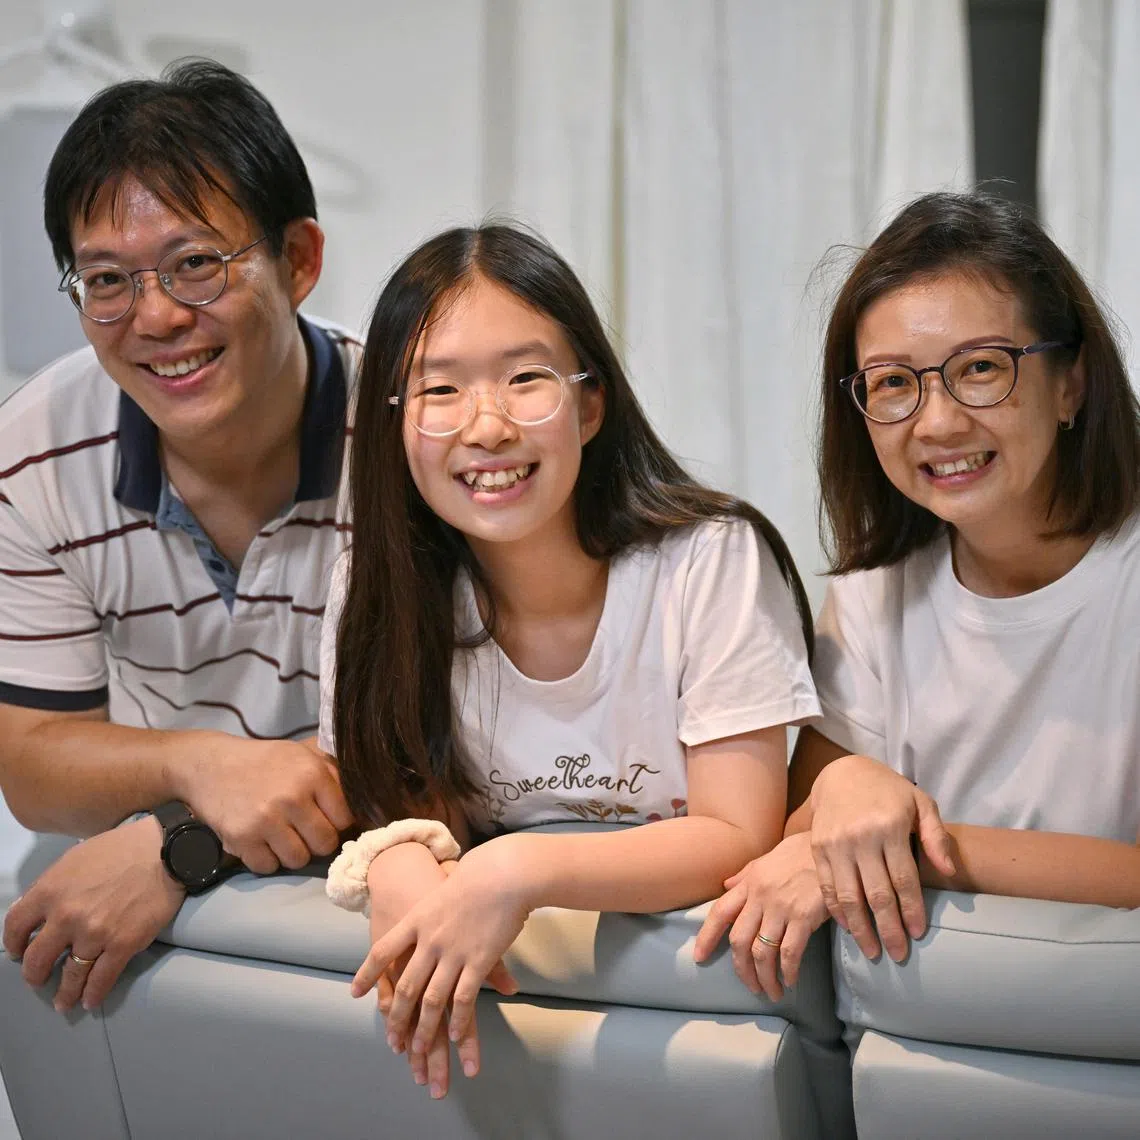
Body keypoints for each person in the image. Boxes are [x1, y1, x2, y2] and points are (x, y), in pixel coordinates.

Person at [318, 223, 820, 1099]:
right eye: (439, 389)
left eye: (526, 379)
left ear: (590, 405)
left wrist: (517, 868)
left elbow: (739, 834)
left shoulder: (711, 560)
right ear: (395, 423)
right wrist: (398, 866)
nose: (487, 425)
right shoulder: (376, 587)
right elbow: (401, 808)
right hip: (523, 1035)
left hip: (706, 1017)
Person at [695, 190, 1140, 1002]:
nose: (935, 423)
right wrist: (842, 789)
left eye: (980, 369)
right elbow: (801, 839)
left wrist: (913, 831)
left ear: (1072, 384)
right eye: (894, 383)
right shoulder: (872, 597)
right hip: (933, 1028)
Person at [0, 60, 357, 1014]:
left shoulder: (414, 434)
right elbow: (31, 760)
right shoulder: (34, 451)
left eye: (197, 264)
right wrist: (197, 768)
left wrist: (179, 843)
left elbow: (468, 747)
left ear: (300, 259)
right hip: (154, 854)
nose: (156, 317)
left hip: (377, 864)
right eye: (107, 280)